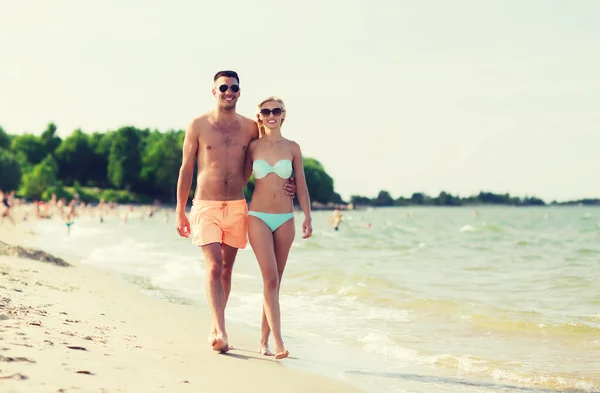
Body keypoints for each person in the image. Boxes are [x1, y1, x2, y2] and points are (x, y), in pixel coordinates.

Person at [175, 71, 296, 353]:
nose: (229, 92)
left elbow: (272, 152)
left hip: (238, 205)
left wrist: (287, 183)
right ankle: (219, 330)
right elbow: (186, 168)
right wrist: (179, 210)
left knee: (227, 269)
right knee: (214, 265)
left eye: (234, 88)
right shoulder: (198, 124)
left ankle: (218, 324)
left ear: (240, 93)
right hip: (206, 204)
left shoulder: (249, 128)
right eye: (224, 87)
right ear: (214, 91)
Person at [246, 96, 313, 360]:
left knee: (273, 283)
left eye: (276, 110)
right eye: (266, 111)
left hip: (286, 218)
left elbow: (302, 184)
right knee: (270, 278)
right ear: (260, 116)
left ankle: (262, 341)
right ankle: (279, 342)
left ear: (284, 115)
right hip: (258, 217)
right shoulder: (252, 147)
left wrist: (307, 216)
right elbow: (237, 176)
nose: (271, 114)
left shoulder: (293, 148)